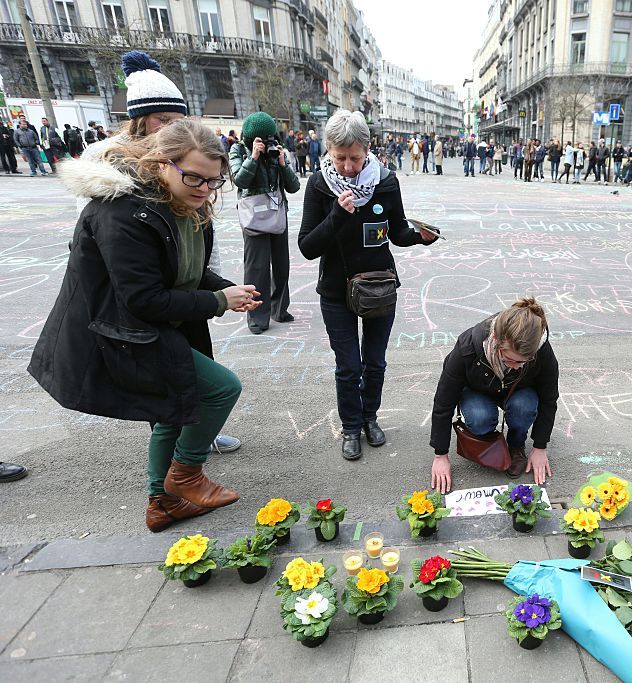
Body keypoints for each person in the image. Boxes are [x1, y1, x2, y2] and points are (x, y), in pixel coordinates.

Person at [29, 119, 259, 532]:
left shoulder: (181, 202)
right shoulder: (123, 212)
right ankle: (186, 473)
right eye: (194, 177)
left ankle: (162, 505)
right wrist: (216, 301)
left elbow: (182, 270)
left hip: (151, 324)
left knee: (171, 407)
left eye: (213, 181)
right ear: (160, 163)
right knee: (222, 387)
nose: (205, 190)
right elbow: (143, 298)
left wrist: (224, 288)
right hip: (119, 330)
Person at [298, 109, 440, 460]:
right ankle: (350, 427)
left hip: (379, 287)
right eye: (340, 158)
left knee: (375, 362)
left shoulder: (386, 181)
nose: (348, 167)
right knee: (349, 365)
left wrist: (420, 236)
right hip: (335, 290)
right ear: (329, 151)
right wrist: (336, 215)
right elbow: (307, 247)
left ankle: (369, 418)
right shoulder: (319, 185)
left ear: (368, 148)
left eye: (356, 158)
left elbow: (397, 232)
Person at [429, 298, 559, 492]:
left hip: (519, 391)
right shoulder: (467, 347)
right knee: (479, 418)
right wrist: (440, 455)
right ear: (496, 341)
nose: (518, 366)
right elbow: (443, 402)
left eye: (524, 361)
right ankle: (490, 442)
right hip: (478, 391)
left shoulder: (542, 352)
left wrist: (540, 447)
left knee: (524, 407)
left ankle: (516, 445)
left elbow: (549, 400)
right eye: (510, 360)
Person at [230, 112, 301, 335]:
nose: (267, 142)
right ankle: (257, 317)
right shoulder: (239, 150)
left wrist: (282, 163)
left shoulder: (277, 150)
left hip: (277, 212)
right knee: (256, 268)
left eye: (270, 137)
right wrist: (253, 158)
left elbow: (294, 186)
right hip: (253, 216)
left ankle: (280, 309)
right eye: (262, 139)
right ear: (251, 138)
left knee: (282, 265)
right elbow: (239, 180)